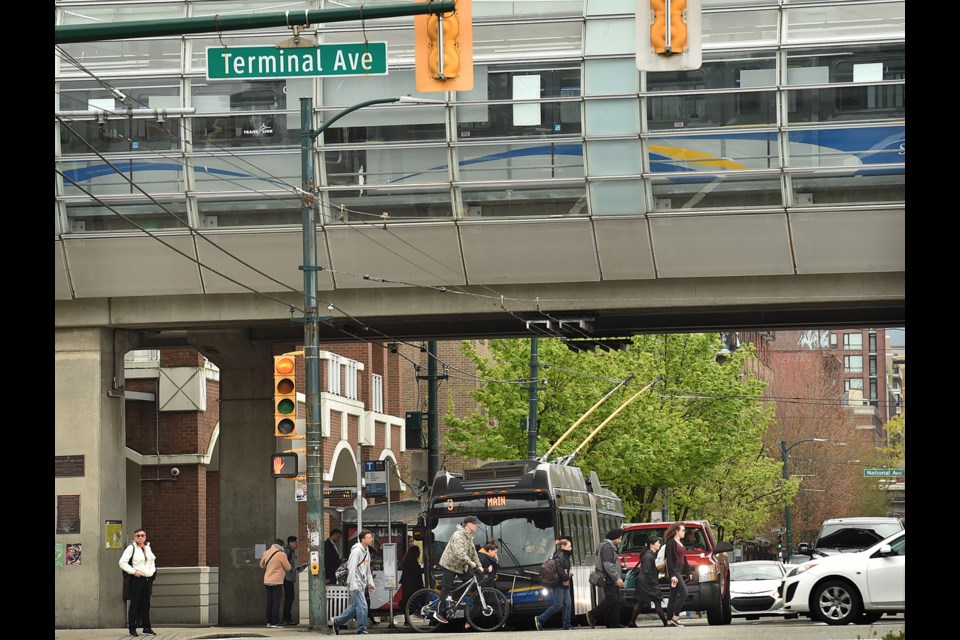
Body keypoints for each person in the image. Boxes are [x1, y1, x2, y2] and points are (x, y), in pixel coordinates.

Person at [434, 515, 483, 624]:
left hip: (460, 566)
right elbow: (459, 553)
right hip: (449, 565)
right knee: (447, 587)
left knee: (471, 581)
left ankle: (456, 597)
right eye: (475, 524)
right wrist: (470, 563)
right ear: (468, 524)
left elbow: (473, 553)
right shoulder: (458, 535)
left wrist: (479, 566)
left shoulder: (469, 537)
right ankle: (439, 612)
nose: (476, 526)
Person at [333, 529, 377, 636]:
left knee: (354, 608)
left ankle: (337, 621)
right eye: (369, 537)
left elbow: (367, 570)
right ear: (363, 539)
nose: (371, 539)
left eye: (371, 537)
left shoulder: (366, 551)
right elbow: (351, 568)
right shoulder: (356, 551)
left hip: (361, 583)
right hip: (355, 583)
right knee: (363, 606)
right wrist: (353, 584)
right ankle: (361, 630)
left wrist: (370, 583)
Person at [120, 528, 158, 637]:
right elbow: (122, 563)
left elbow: (152, 561)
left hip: (147, 579)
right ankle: (132, 628)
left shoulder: (148, 548)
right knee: (135, 604)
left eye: (142, 535)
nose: (140, 538)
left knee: (146, 604)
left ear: (145, 537)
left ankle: (146, 627)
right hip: (137, 579)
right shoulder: (131, 548)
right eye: (138, 536)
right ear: (134, 537)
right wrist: (133, 571)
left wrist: (152, 571)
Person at [586, 528, 625, 629]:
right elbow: (608, 565)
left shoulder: (608, 546)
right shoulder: (607, 547)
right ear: (614, 538)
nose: (620, 541)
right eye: (619, 539)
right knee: (612, 599)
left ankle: (614, 623)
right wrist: (617, 578)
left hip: (610, 578)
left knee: (616, 601)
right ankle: (593, 614)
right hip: (609, 578)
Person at [628, 535, 669, 627]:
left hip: (643, 583)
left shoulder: (649, 554)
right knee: (657, 601)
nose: (659, 544)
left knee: (639, 602)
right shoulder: (648, 556)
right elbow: (647, 571)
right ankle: (665, 622)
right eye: (657, 542)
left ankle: (632, 622)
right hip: (648, 583)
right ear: (652, 544)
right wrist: (654, 582)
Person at [534, 536, 574, 631]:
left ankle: (567, 625)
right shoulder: (560, 555)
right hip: (558, 584)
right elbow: (560, 570)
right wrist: (566, 578)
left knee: (568, 604)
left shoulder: (565, 555)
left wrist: (566, 578)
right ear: (563, 546)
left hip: (564, 582)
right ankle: (540, 619)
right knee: (558, 605)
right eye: (569, 546)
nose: (571, 548)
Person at [664, 522, 691, 628]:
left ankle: (669, 621)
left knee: (673, 596)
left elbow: (684, 558)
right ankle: (675, 617)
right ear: (676, 531)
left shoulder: (680, 542)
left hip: (679, 570)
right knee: (684, 593)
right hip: (674, 571)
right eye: (683, 530)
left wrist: (688, 572)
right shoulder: (671, 543)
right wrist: (672, 575)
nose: (684, 532)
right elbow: (669, 559)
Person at [260, 538, 292, 629]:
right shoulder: (282, 554)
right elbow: (288, 567)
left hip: (267, 580)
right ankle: (275, 622)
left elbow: (262, 565)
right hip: (277, 581)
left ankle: (269, 622)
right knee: (276, 602)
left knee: (269, 601)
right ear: (281, 546)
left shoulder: (266, 552)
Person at [398, 545, 424, 623]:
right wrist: (424, 569)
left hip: (407, 584)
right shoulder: (412, 562)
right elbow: (415, 572)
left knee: (408, 600)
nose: (419, 553)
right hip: (413, 584)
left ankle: (407, 619)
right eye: (418, 551)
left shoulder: (407, 560)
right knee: (416, 598)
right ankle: (417, 613)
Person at [282, 535, 304, 626]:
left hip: (290, 578)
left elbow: (294, 567)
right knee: (289, 598)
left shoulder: (291, 552)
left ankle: (287, 618)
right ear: (291, 543)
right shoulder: (287, 551)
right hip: (287, 578)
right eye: (296, 542)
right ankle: (286, 618)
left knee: (290, 598)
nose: (297, 544)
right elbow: (284, 564)